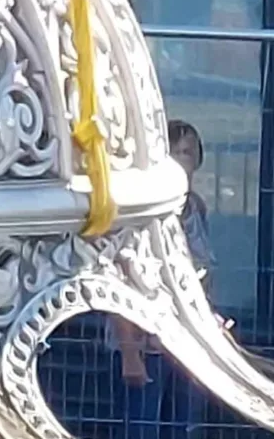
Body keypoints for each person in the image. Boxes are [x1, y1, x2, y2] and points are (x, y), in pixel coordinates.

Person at [109, 120, 213, 439]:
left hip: (188, 340)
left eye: (189, 153)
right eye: (176, 152)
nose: (184, 161)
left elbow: (204, 269)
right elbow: (119, 277)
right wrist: (129, 351)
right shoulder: (140, 209)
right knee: (142, 428)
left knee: (182, 427)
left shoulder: (195, 208)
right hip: (145, 343)